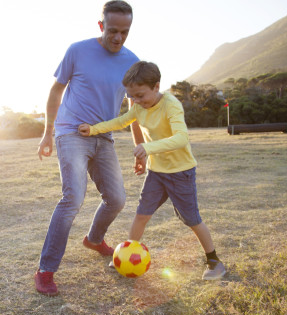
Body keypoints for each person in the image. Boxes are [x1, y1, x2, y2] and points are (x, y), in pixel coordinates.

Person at [79, 61, 227, 280]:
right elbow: (121, 122)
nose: (136, 102)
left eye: (140, 95)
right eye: (132, 97)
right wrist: (93, 129)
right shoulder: (138, 107)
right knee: (141, 215)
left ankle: (215, 262)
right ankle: (128, 256)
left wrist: (148, 148)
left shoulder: (171, 105)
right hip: (156, 173)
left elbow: (181, 138)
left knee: (191, 220)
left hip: (180, 172)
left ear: (156, 86)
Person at [35, 1, 144, 296]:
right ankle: (46, 271)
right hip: (71, 132)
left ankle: (94, 239)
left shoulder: (132, 63)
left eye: (125, 31)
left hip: (104, 136)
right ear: (101, 26)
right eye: (113, 30)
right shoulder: (77, 51)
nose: (118, 37)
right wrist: (47, 133)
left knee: (117, 199)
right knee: (73, 198)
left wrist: (140, 147)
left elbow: (134, 107)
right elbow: (56, 90)